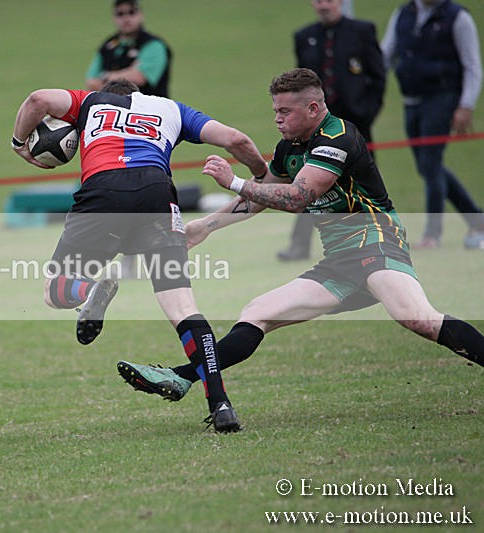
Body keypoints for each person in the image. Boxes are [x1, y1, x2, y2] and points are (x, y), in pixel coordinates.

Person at [116, 68, 484, 425]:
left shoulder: (338, 137)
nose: (277, 119)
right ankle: (182, 377)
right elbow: (263, 197)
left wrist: (236, 182)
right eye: (275, 110)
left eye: (284, 111)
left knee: (416, 318)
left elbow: (297, 197)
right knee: (258, 312)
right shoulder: (289, 147)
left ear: (313, 108)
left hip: (375, 241)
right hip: (339, 260)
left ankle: (182, 375)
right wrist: (204, 228)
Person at [11, 79, 268, 432]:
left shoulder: (89, 102)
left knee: (56, 292)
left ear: (108, 93)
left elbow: (37, 98)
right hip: (157, 196)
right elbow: (237, 140)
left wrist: (18, 144)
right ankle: (220, 404)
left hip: (104, 191)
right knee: (183, 309)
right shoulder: (173, 109)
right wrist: (259, 175)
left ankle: (88, 292)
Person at [278, 0, 386, 261]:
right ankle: (299, 245)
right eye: (318, 0)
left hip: (355, 124)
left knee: (362, 182)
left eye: (329, 0)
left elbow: (378, 75)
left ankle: (380, 237)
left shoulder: (362, 30)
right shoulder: (304, 36)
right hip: (315, 126)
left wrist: (366, 112)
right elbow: (299, 84)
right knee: (306, 182)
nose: (323, 5)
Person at [381, 0, 484, 250]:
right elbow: (386, 54)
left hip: (442, 98)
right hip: (410, 100)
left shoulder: (458, 17)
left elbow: (472, 65)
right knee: (428, 166)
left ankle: (432, 234)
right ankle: (476, 217)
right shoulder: (403, 13)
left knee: (430, 163)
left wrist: (466, 105)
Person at [85, 0, 171, 97]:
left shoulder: (153, 45)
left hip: (149, 108)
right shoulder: (107, 46)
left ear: (141, 15)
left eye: (131, 12)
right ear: (114, 17)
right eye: (120, 14)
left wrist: (106, 76)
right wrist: (128, 72)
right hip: (114, 108)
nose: (126, 18)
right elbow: (91, 82)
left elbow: (139, 77)